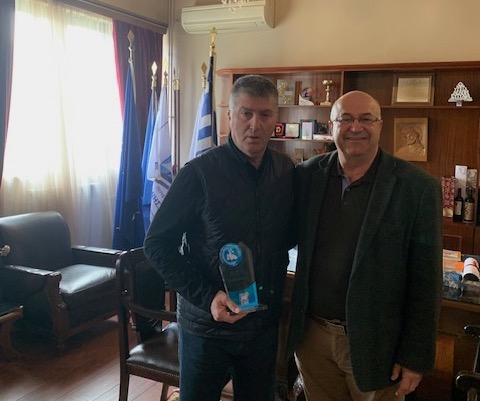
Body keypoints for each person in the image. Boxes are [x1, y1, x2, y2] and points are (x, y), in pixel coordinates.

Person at [144, 74, 295, 401]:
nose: (254, 124)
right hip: (206, 329)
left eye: (265, 115)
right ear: (230, 116)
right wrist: (208, 296)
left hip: (262, 327)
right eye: (246, 113)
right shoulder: (198, 173)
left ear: (276, 119)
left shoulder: (285, 171)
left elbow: (288, 235)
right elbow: (156, 245)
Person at [287, 90, 443, 401]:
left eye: (366, 119)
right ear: (332, 126)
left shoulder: (417, 188)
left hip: (378, 345)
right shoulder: (307, 176)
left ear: (380, 125)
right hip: (313, 338)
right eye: (345, 119)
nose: (355, 127)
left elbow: (426, 280)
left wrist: (415, 357)